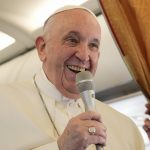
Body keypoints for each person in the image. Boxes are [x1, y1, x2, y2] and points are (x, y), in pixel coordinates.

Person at [0, 5, 145, 150]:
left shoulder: (127, 129)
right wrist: (60, 147)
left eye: (93, 45)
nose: (84, 55)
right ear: (42, 48)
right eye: (72, 40)